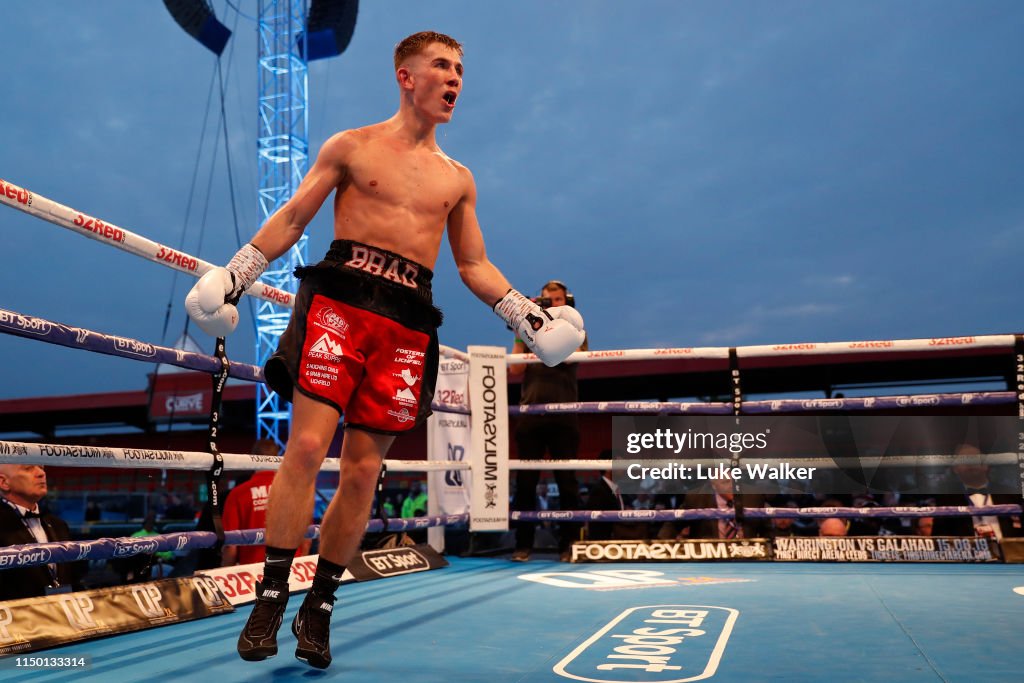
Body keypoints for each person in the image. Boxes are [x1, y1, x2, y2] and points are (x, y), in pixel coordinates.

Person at [185, 31, 585, 669]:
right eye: (442, 67)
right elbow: (293, 219)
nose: (455, 79)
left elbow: (473, 264)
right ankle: (270, 594)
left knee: (364, 470)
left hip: (406, 322)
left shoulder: (458, 178)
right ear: (406, 76)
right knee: (308, 447)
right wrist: (233, 274)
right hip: (340, 305)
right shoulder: (353, 145)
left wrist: (529, 316)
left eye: (460, 69)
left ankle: (320, 605)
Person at [508, 280, 587, 562]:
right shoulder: (532, 330)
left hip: (564, 417)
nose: (551, 304)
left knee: (566, 483)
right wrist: (521, 332)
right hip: (531, 416)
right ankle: (523, 545)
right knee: (526, 483)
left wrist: (548, 331)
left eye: (556, 299)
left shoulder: (577, 329)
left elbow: (565, 359)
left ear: (566, 302)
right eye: (545, 300)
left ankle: (568, 545)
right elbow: (515, 368)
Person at [221, 439, 313, 567]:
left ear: (252, 459)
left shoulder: (238, 494)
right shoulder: (295, 490)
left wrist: (226, 574)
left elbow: (230, 546)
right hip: (290, 568)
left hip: (251, 573)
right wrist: (300, 565)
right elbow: (306, 538)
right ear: (277, 458)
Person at [0, 464, 85, 600]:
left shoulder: (58, 524)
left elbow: (73, 577)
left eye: (41, 467)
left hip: (63, 613)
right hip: (16, 617)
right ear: (4, 482)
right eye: (28, 468)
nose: (41, 473)